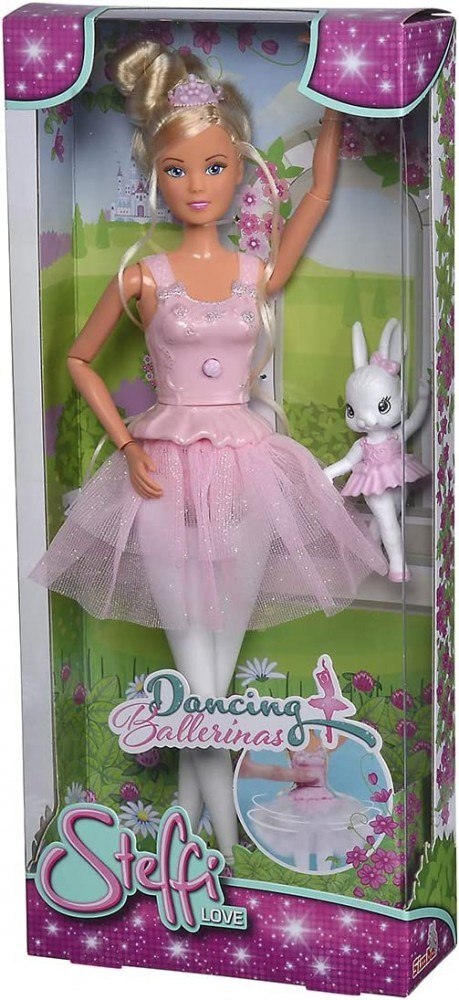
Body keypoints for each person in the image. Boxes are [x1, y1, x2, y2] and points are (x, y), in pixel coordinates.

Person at [30, 41, 387, 867]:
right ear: (157, 177)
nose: (197, 185)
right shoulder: (144, 276)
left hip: (247, 467)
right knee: (197, 666)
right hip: (159, 471)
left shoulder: (255, 272)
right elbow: (79, 359)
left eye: (214, 167)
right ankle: (221, 843)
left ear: (239, 171)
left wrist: (339, 110)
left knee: (213, 665)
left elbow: (317, 195)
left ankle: (194, 830)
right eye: (178, 170)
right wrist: (127, 442)